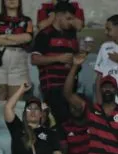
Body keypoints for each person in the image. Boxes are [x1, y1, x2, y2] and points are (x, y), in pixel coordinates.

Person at [30, 2, 80, 133]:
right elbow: (34, 59)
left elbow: (75, 60)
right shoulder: (45, 34)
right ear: (58, 16)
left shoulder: (72, 35)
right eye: (68, 19)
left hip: (71, 87)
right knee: (59, 125)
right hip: (52, 88)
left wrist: (75, 63)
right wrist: (58, 58)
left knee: (72, 124)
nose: (71, 23)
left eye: (72, 19)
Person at [0, 0, 34, 99]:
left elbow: (27, 38)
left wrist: (3, 37)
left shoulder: (27, 20)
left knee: (15, 101)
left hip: (19, 62)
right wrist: (16, 40)